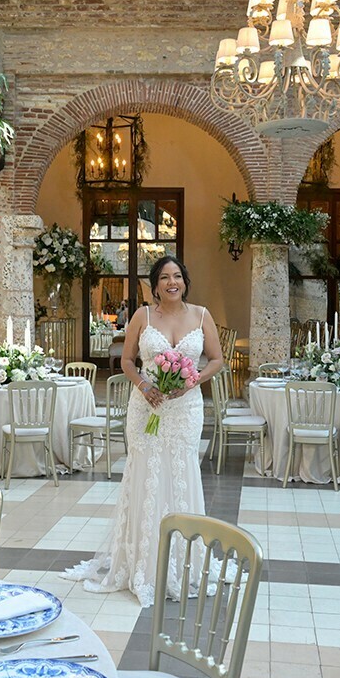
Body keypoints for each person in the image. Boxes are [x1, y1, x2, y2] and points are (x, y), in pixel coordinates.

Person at [63, 255, 224, 607]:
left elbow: (216, 359)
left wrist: (193, 379)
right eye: (164, 277)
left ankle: (182, 559)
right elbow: (126, 359)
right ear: (155, 284)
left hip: (185, 409)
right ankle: (141, 560)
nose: (172, 282)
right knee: (146, 475)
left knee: (181, 473)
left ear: (185, 281)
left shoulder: (201, 315)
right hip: (146, 406)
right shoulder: (143, 316)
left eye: (177, 276)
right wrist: (143, 385)